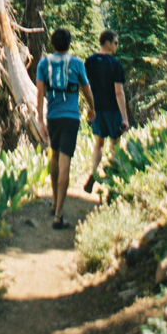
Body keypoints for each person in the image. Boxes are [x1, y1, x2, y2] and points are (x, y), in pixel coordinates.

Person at [35, 28, 95, 230]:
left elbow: (40, 92)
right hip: (70, 118)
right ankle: (59, 215)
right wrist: (92, 109)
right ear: (69, 43)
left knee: (54, 156)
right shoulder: (76, 63)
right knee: (65, 162)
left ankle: (53, 202)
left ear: (53, 43)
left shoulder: (44, 63)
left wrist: (40, 120)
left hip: (52, 116)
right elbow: (86, 89)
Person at [83, 29, 129, 193]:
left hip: (97, 110)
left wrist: (89, 107)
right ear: (108, 43)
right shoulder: (115, 65)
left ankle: (93, 174)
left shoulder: (89, 61)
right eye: (115, 43)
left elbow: (85, 87)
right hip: (113, 110)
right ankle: (114, 176)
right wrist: (124, 117)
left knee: (98, 144)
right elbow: (119, 92)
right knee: (114, 144)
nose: (117, 46)